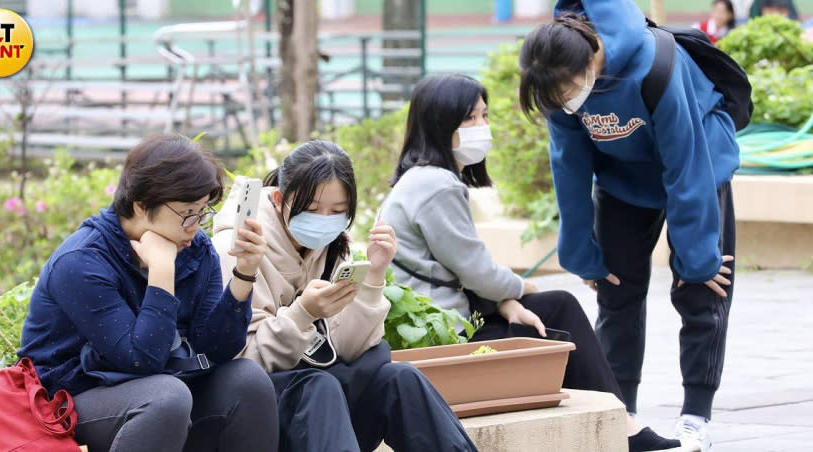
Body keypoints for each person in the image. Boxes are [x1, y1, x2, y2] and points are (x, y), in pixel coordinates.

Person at [380, 73, 689, 452]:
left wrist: (507, 300)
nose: (482, 128)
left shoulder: (421, 180)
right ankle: (622, 427)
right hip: (444, 338)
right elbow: (478, 271)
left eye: (485, 116)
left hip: (441, 323)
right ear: (439, 125)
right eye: (469, 119)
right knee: (555, 310)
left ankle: (619, 423)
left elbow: (464, 272)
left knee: (552, 312)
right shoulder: (437, 186)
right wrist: (521, 289)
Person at [517, 1, 740, 450]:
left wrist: (697, 255)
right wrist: (582, 253)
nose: (563, 103)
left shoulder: (653, 64)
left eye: (565, 91)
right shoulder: (557, 86)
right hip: (624, 180)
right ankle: (622, 410)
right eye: (552, 98)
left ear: (589, 58)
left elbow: (686, 161)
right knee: (617, 292)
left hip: (698, 158)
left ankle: (696, 415)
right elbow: (569, 167)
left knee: (702, 287)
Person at [18, 134, 279, 452]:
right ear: (141, 206)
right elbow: (141, 361)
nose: (195, 225)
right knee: (166, 397)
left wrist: (244, 273)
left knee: (246, 380)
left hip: (159, 385)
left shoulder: (196, 249)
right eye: (188, 212)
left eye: (203, 211)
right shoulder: (81, 261)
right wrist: (162, 271)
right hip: (71, 397)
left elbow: (216, 349)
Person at [212, 140, 477, 452]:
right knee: (318, 386)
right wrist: (303, 314)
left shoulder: (333, 247)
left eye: (337, 211)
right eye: (311, 209)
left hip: (324, 413)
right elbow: (241, 363)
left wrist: (375, 273)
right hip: (260, 416)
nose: (324, 220)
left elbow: (350, 351)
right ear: (280, 199)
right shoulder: (237, 248)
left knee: (399, 378)